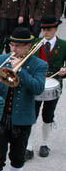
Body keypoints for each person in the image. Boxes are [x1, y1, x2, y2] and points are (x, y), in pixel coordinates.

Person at [0, 27, 47, 171]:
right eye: (12, 45)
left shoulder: (39, 65)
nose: (13, 49)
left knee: (17, 157)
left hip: (22, 118)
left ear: (28, 47)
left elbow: (37, 88)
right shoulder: (3, 59)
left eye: (18, 46)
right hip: (1, 117)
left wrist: (19, 70)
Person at [26, 15, 66, 160]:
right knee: (32, 115)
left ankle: (45, 144)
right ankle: (28, 146)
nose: (45, 32)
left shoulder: (63, 44)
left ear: (55, 29)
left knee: (48, 115)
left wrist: (64, 70)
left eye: (48, 29)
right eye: (43, 29)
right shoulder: (36, 43)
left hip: (54, 84)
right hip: (36, 83)